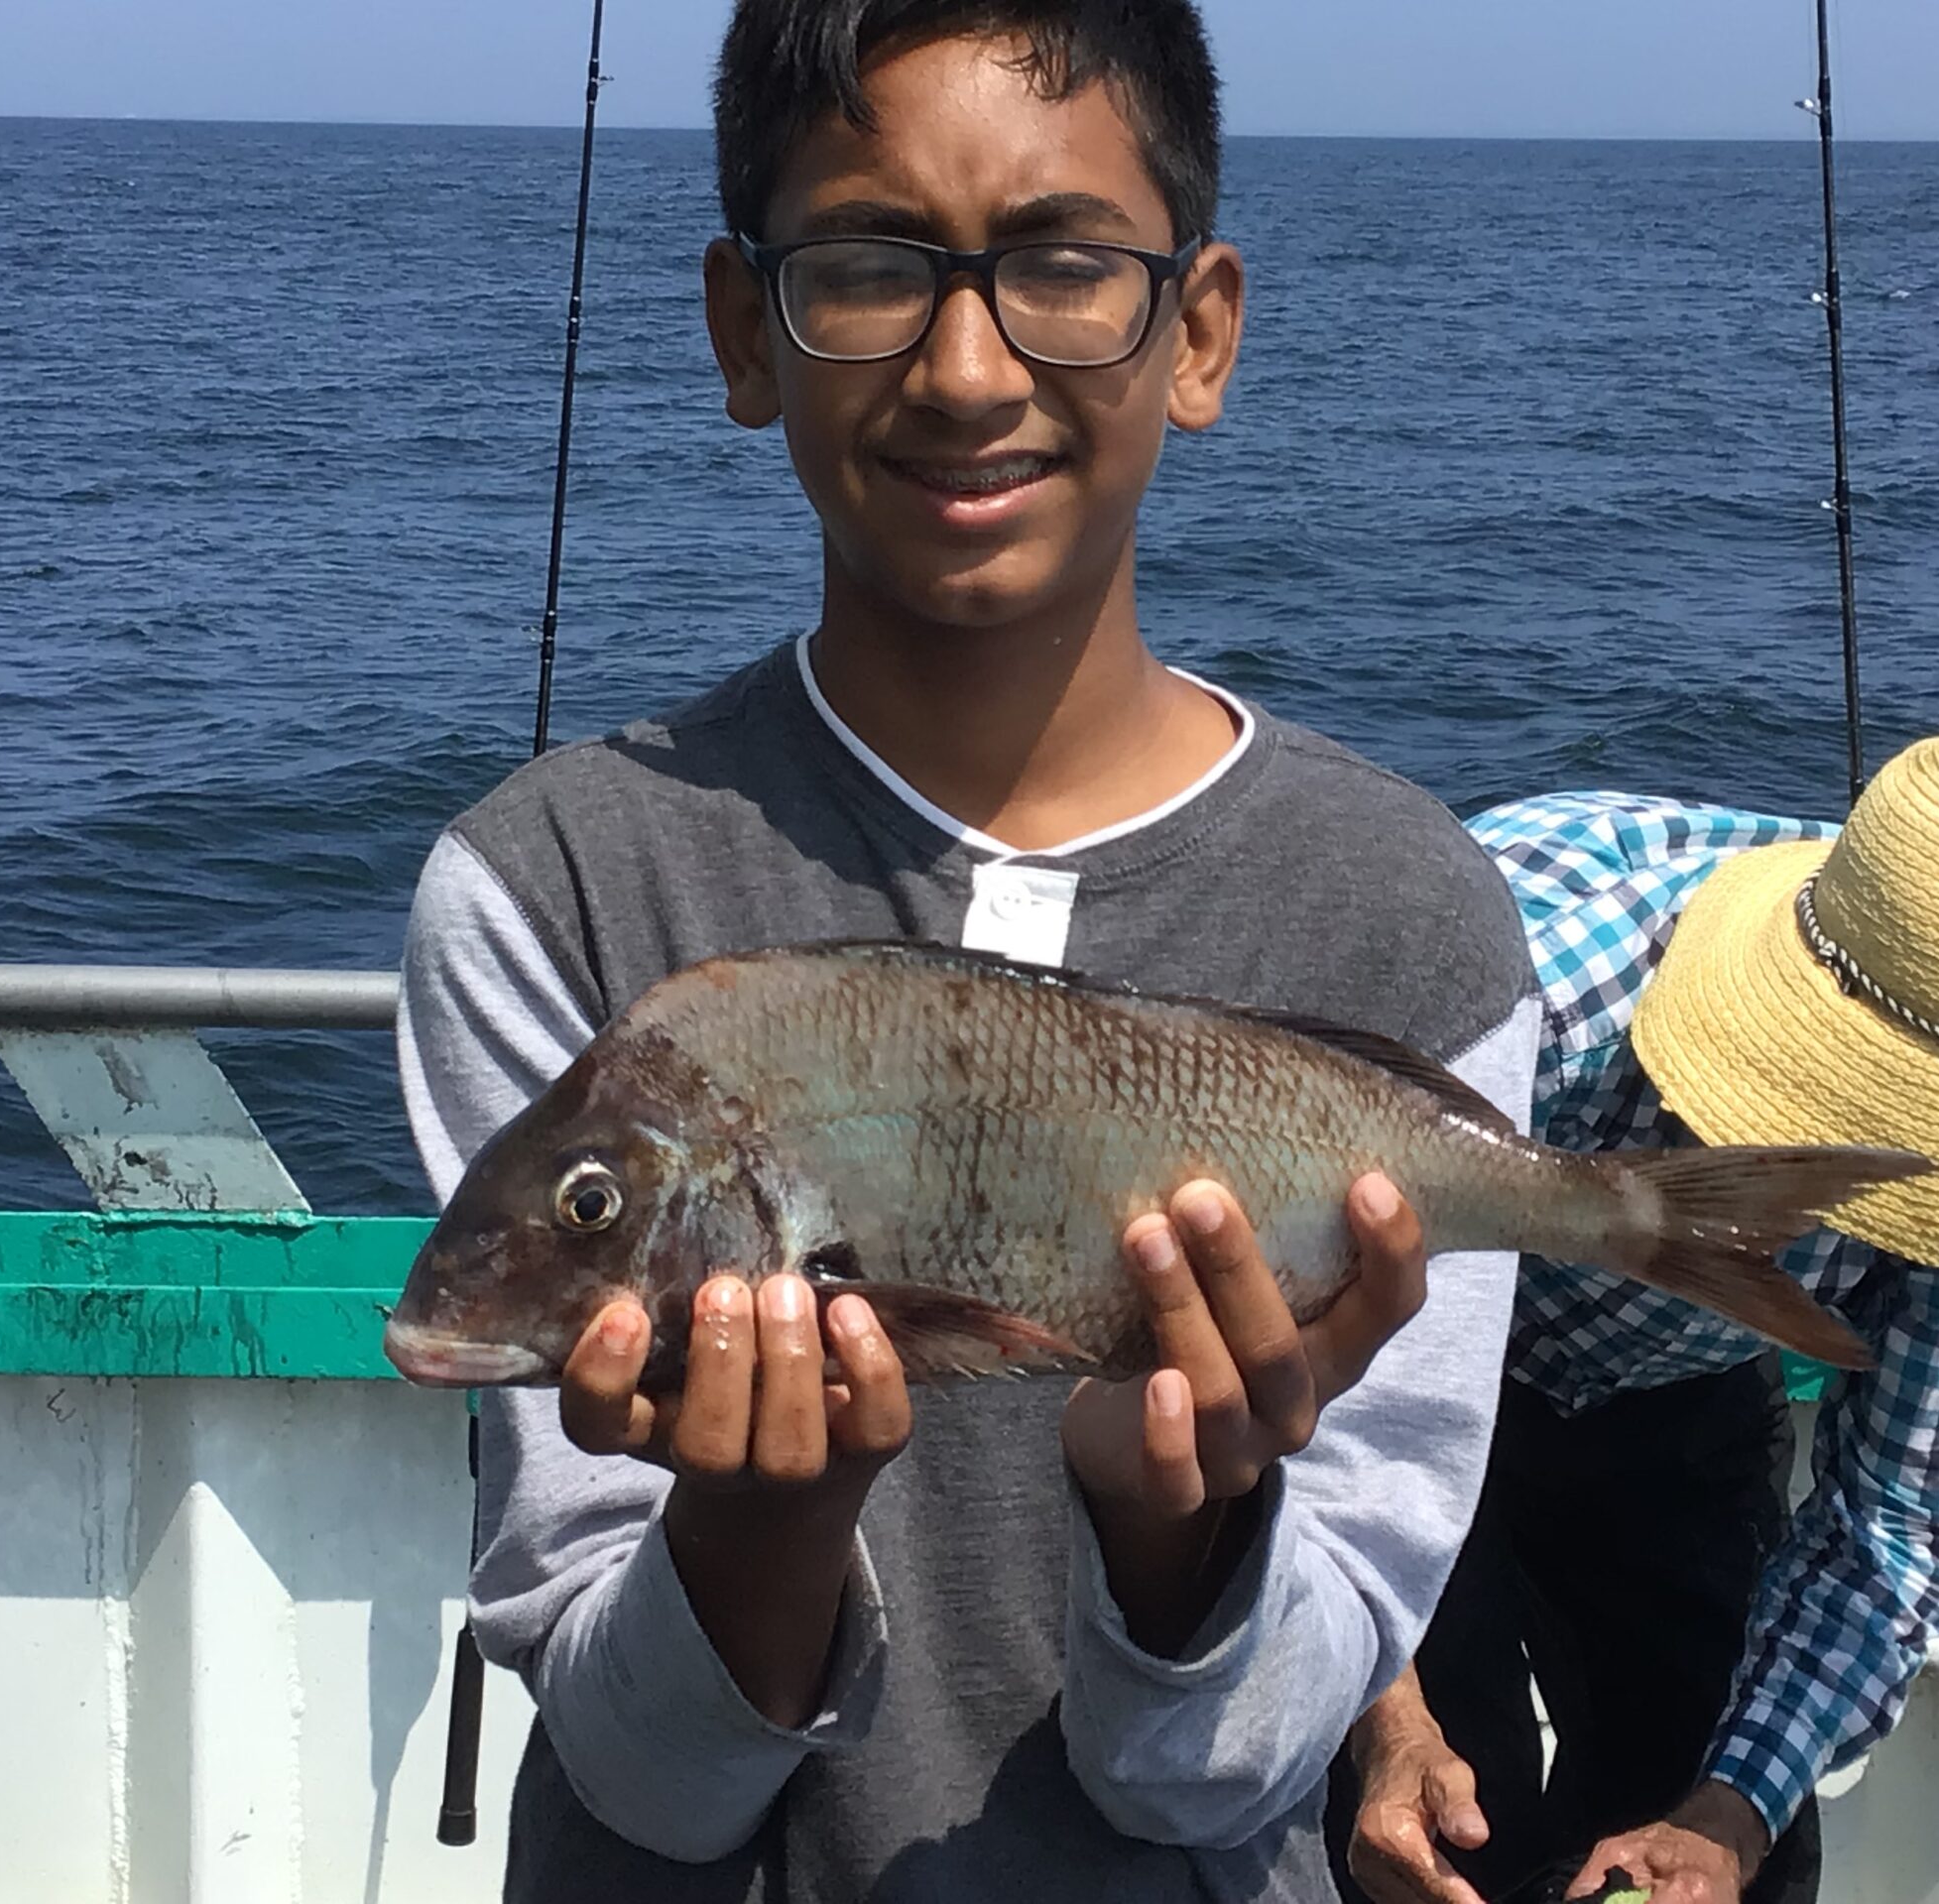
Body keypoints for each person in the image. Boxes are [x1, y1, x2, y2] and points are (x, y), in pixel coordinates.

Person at [394, 3, 1541, 1898]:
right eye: (864, 266)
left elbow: (1235, 1769)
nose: (961, 365)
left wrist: (1188, 1535)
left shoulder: (1412, 922)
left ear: (1201, 332)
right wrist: (762, 1533)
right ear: (743, 329)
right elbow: (644, 1784)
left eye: (1064, 265)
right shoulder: (549, 891)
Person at [1332, 733, 1939, 1904]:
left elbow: (1895, 1522)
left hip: (1675, 1396)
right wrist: (1383, 1720)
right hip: (1389, 1364)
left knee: (1732, 1831)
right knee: (1432, 1820)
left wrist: (1727, 1818)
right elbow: (1272, 1331)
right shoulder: (1523, 984)